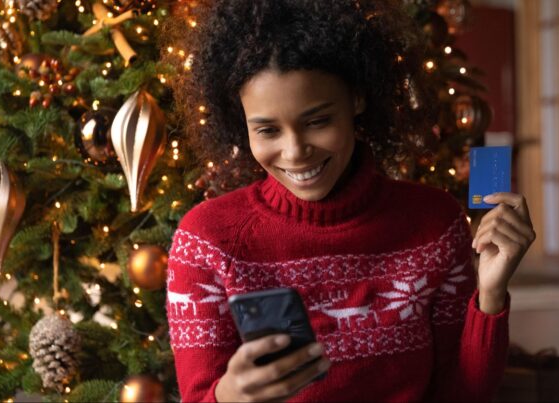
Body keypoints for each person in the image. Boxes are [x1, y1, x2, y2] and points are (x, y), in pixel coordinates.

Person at [161, 1, 536, 402]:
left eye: (318, 121)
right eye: (267, 130)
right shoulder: (206, 241)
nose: (294, 152)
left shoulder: (434, 223)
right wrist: (231, 395)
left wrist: (492, 294)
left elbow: (461, 393)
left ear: (356, 100)